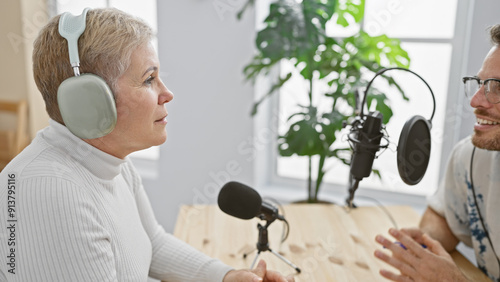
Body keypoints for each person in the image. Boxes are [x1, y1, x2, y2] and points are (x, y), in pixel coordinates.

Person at [0, 8, 294, 282]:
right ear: (89, 101)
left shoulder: (111, 162)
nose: (167, 93)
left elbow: (153, 242)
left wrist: (225, 276)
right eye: (149, 79)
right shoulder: (49, 192)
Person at [374, 24, 500, 281]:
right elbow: (443, 214)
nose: (475, 101)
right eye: (480, 83)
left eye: (497, 87)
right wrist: (426, 245)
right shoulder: (471, 157)